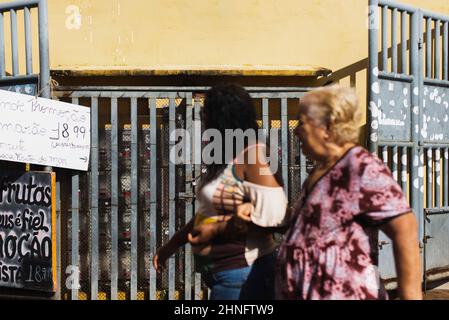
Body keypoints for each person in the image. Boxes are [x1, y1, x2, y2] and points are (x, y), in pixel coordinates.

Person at [235, 85, 422, 300]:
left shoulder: (359, 167)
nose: (295, 131)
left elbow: (404, 229)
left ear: (328, 126)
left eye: (301, 123)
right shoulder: (322, 169)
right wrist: (256, 209)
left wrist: (411, 296)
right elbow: (314, 223)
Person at [152, 83, 289, 300]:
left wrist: (217, 230)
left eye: (207, 113)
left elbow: (277, 217)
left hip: (245, 274)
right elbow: (210, 212)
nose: (205, 120)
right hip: (222, 274)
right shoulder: (225, 158)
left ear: (224, 117)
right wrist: (172, 244)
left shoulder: (253, 155)